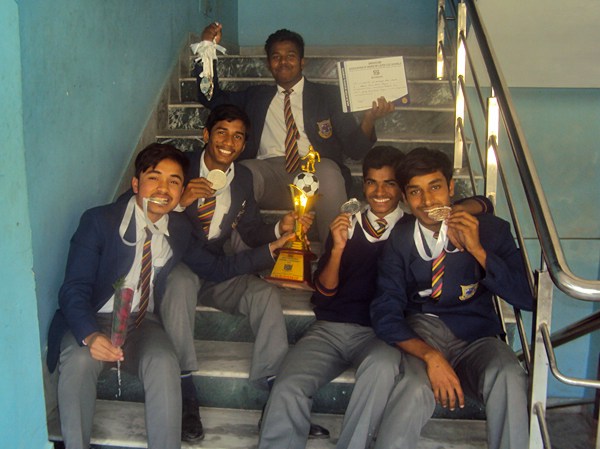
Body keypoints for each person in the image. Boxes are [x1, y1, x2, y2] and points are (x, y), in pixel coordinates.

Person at [47, 143, 285, 449]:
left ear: (182, 190)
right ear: (136, 184)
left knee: (164, 362)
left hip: (141, 322)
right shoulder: (99, 221)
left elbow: (215, 267)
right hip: (94, 319)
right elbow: (74, 288)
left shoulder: (179, 228)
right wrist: (90, 335)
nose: (163, 189)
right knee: (79, 363)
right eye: (154, 178)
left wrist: (268, 251)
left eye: (174, 181)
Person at [257, 146, 493, 449]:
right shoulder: (348, 222)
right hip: (330, 329)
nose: (379, 192)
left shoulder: (414, 226)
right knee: (289, 383)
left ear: (403, 191)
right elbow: (324, 292)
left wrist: (462, 209)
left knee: (380, 370)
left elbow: (484, 203)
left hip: (381, 335)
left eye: (389, 184)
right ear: (364, 184)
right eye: (371, 182)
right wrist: (338, 248)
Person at [157, 104, 328, 442]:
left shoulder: (244, 178)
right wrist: (179, 202)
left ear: (244, 144)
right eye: (221, 132)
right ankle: (183, 391)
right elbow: (143, 206)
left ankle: (278, 397)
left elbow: (249, 231)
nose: (228, 142)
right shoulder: (178, 167)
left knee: (264, 295)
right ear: (206, 134)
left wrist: (280, 227)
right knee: (180, 283)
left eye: (238, 137)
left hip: (216, 268)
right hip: (178, 266)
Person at [370, 147, 533, 449]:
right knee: (414, 385)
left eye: (435, 187)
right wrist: (431, 356)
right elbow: (384, 311)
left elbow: (527, 297)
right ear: (404, 198)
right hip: (422, 330)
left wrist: (478, 251)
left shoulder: (490, 230)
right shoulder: (400, 239)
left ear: (451, 188)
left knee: (509, 374)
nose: (427, 201)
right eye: (415, 192)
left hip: (477, 333)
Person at [193, 23, 395, 248]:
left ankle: (335, 255)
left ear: (302, 61)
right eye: (276, 57)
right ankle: (240, 257)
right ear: (268, 63)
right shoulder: (255, 96)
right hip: (268, 172)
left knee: (329, 171)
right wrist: (207, 48)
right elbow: (210, 97)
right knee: (242, 172)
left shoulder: (327, 96)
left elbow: (355, 150)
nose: (283, 62)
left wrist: (369, 119)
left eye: (290, 56)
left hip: (315, 170)